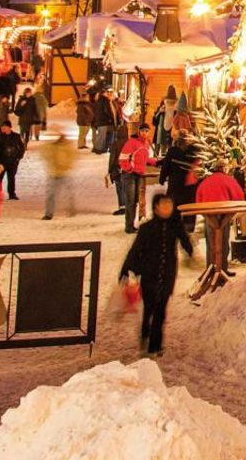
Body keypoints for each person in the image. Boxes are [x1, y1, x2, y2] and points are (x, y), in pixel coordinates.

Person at [121, 192, 192, 357]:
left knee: (161, 309)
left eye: (170, 205)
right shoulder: (146, 229)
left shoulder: (175, 226)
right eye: (164, 205)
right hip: (149, 274)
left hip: (167, 273)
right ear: (156, 208)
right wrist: (126, 268)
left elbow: (184, 239)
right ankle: (145, 331)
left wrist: (189, 250)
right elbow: (136, 250)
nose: (168, 208)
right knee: (149, 308)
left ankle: (155, 345)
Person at [119, 125, 153, 231]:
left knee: (135, 201)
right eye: (142, 131)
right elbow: (123, 158)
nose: (144, 133)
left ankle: (131, 225)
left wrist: (156, 162)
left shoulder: (146, 144)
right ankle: (129, 226)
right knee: (130, 201)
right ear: (139, 132)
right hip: (130, 175)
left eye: (146, 131)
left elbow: (146, 159)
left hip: (139, 174)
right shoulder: (132, 142)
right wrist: (129, 169)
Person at [41, 135, 78, 219]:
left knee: (67, 194)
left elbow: (71, 158)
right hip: (54, 173)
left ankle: (71, 209)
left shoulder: (67, 147)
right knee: (52, 194)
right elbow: (45, 155)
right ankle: (49, 213)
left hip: (63, 173)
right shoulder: (52, 147)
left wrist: (65, 166)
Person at [0, 119, 26, 199]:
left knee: (11, 178)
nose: (3, 128)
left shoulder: (16, 136)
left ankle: (12, 194)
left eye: (4, 126)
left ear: (9, 127)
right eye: (2, 127)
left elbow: (22, 147)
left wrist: (18, 157)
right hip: (1, 162)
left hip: (13, 161)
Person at [90, 87, 117, 159]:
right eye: (107, 92)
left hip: (101, 121)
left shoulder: (99, 100)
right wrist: (110, 118)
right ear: (104, 93)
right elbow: (107, 111)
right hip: (104, 121)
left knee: (103, 135)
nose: (108, 93)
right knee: (102, 136)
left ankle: (101, 148)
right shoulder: (105, 100)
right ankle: (98, 149)